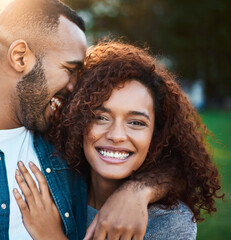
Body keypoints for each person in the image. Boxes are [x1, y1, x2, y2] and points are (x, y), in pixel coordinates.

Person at [0, 1, 174, 239]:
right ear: (20, 56)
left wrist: (137, 193)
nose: (77, 87)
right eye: (69, 69)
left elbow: (173, 162)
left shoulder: (65, 137)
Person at [13, 41, 224, 239]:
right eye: (101, 118)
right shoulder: (51, 187)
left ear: (156, 135)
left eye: (136, 123)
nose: (116, 135)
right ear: (77, 121)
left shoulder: (169, 221)